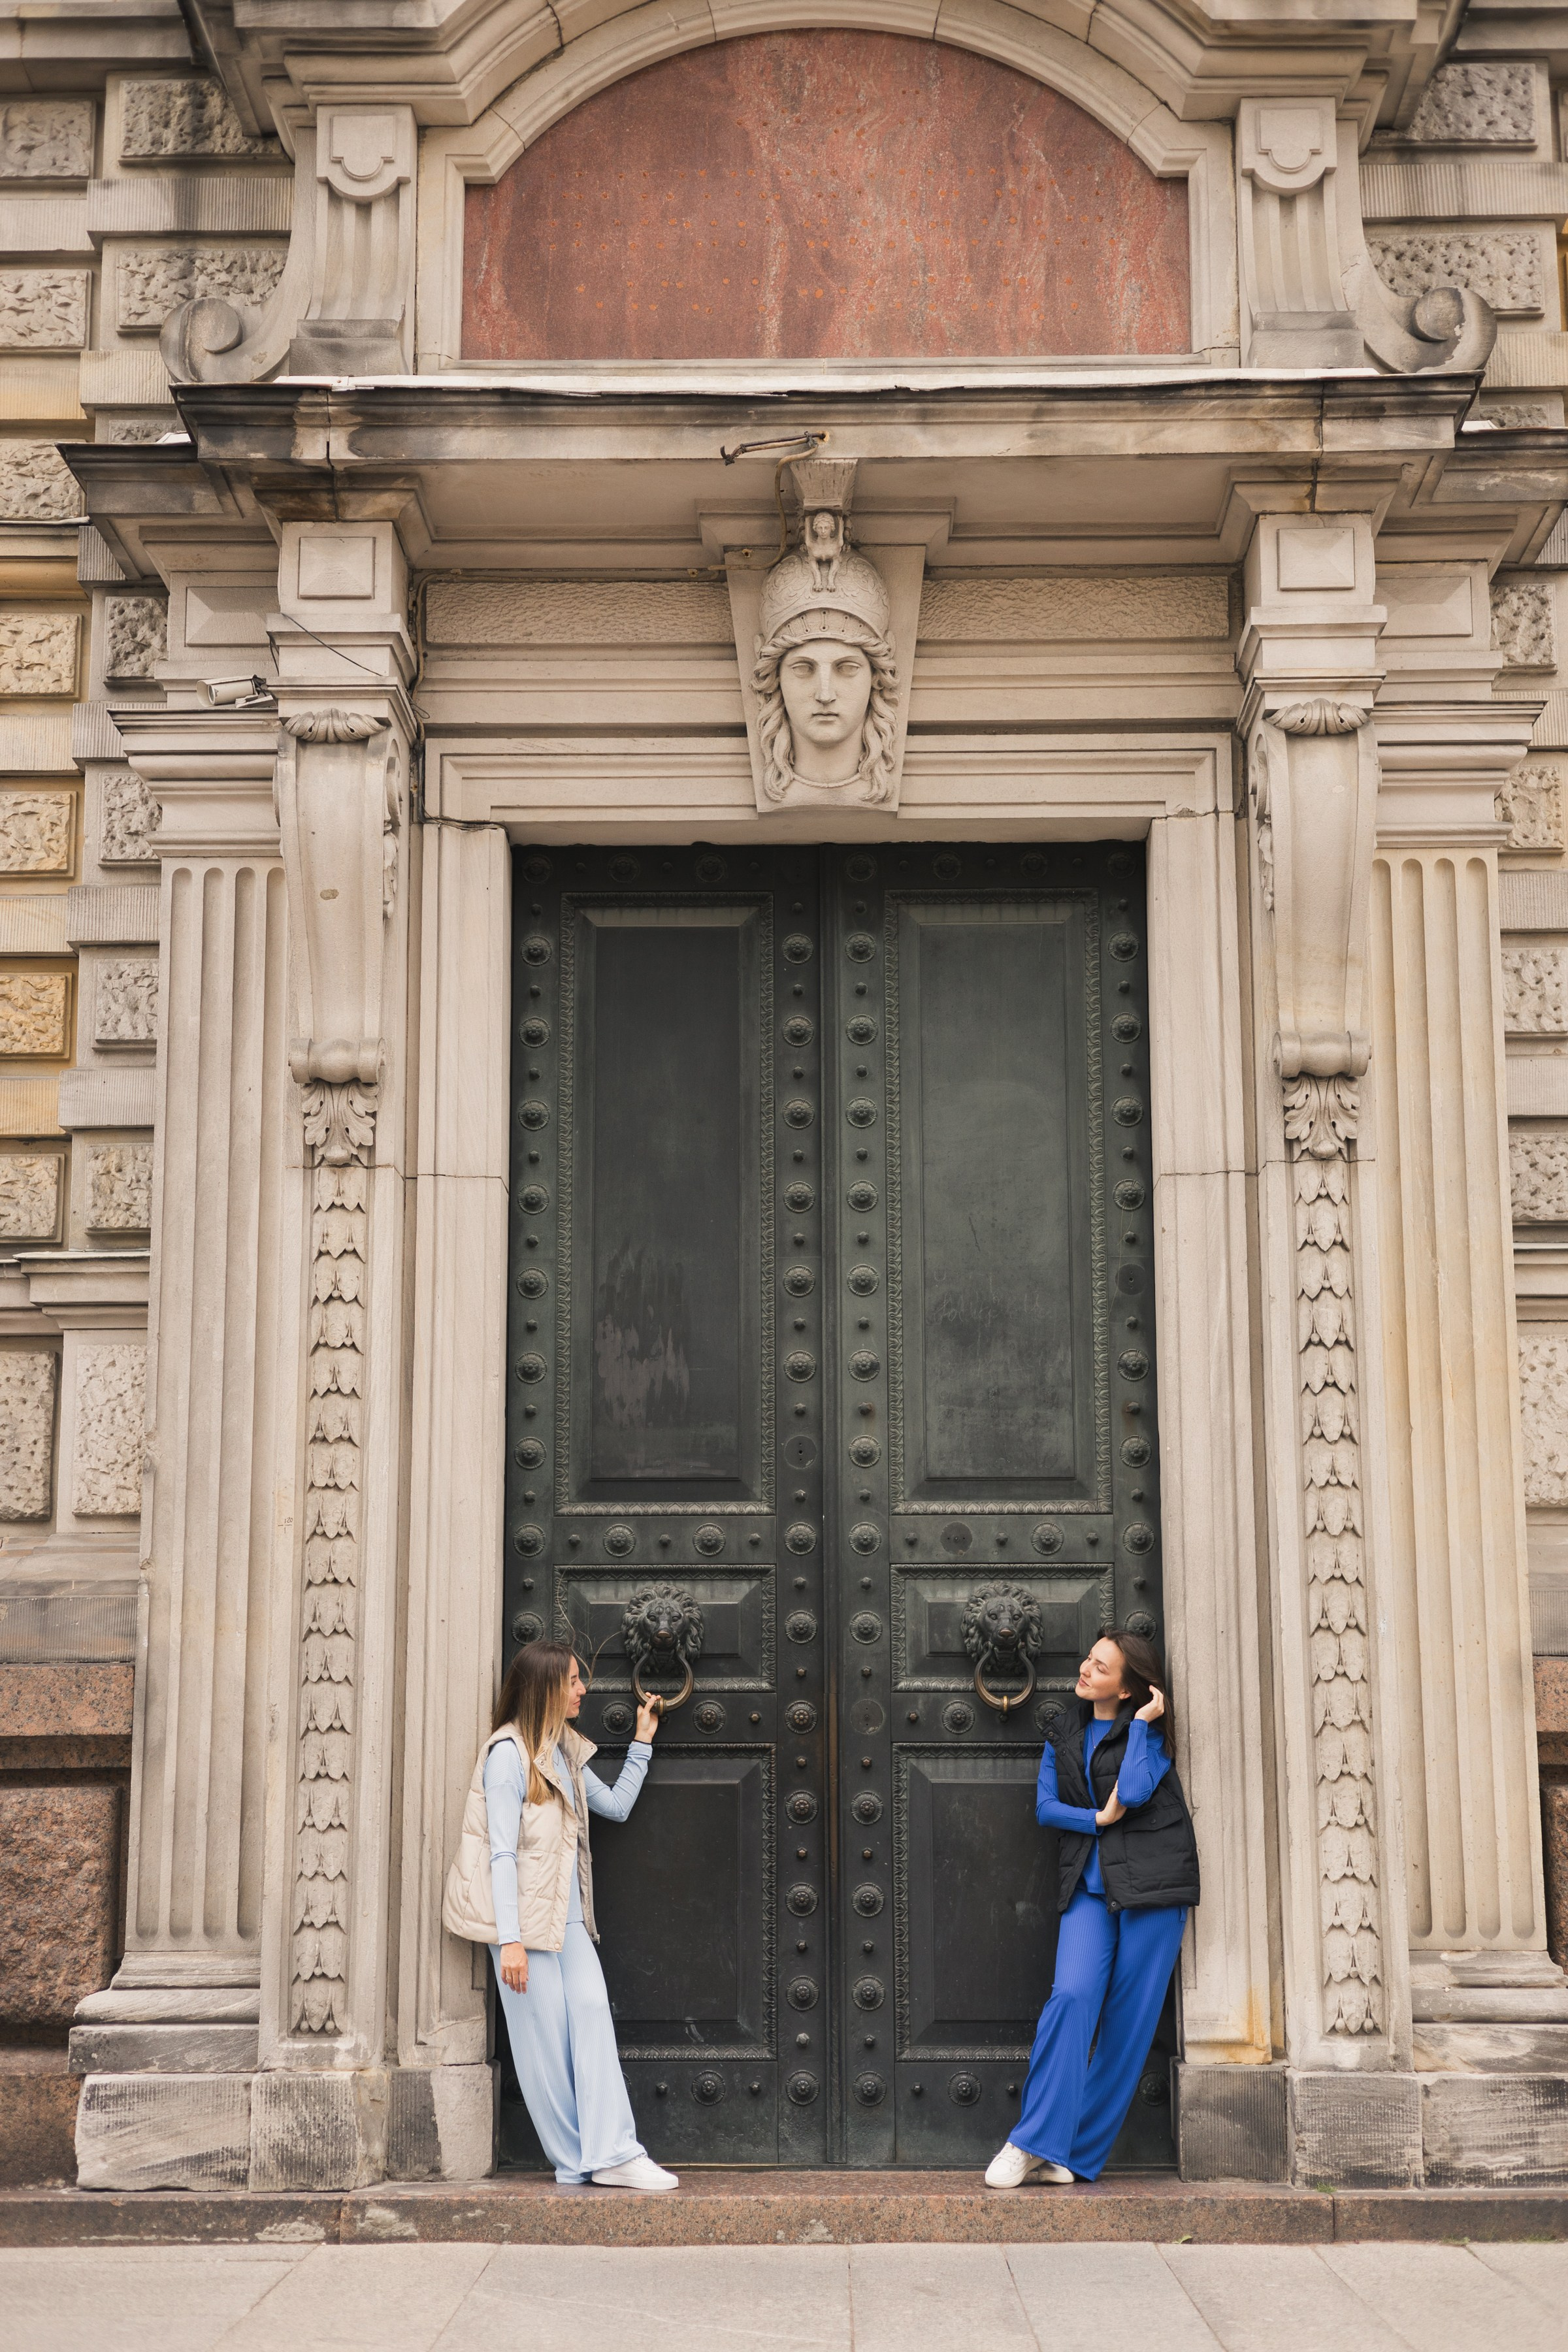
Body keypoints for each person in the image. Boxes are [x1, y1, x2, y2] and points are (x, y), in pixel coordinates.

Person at [443, 1638, 676, 2191]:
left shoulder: (565, 1751)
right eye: (573, 1680)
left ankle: (614, 2151)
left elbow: (614, 1806)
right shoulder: (507, 1756)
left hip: (566, 1920)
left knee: (593, 2011)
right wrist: (512, 1940)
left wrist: (642, 1741)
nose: (582, 1690)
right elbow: (500, 1851)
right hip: (521, 1925)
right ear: (546, 1688)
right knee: (543, 2044)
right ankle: (574, 2161)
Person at [985, 1627, 1200, 2189]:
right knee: (1072, 1997)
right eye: (1089, 1659)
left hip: (1154, 1890)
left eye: (1101, 1668)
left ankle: (1074, 2155)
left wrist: (1146, 1725)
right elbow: (1046, 1807)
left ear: (1128, 1690)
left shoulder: (1147, 1741)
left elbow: (1131, 1791)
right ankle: (1031, 2141)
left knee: (1127, 2026)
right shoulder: (1063, 1735)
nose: (1085, 1669)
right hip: (1089, 1886)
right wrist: (1095, 1822)